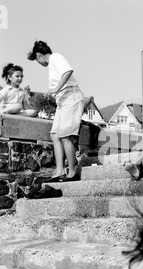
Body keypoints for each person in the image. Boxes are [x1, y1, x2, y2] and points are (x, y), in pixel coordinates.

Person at [28, 41, 85, 182]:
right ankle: (59, 170)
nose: (39, 63)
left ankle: (72, 172)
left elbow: (68, 71)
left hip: (70, 96)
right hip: (62, 101)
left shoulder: (55, 57)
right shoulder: (53, 63)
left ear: (39, 55)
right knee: (55, 135)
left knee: (66, 136)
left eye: (37, 60)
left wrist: (56, 89)